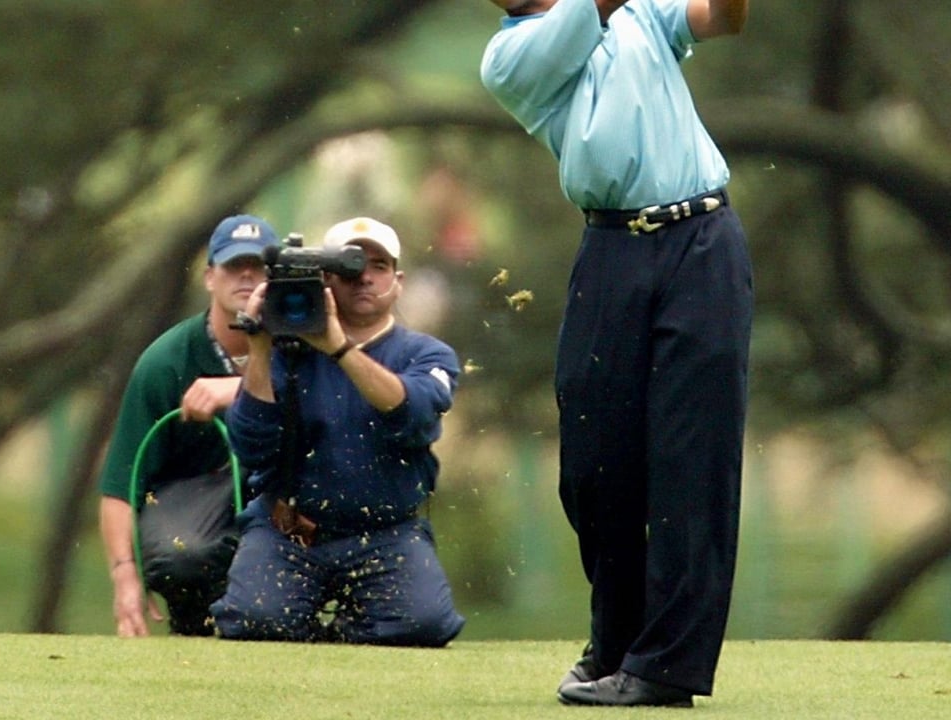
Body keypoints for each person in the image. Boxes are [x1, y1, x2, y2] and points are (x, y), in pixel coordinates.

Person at [481, 0, 753, 708]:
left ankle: (664, 666)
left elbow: (722, 18)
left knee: (693, 459)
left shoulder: (640, 17)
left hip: (703, 241)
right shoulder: (509, 56)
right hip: (609, 250)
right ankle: (616, 643)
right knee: (595, 466)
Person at [210, 217, 466, 647]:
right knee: (254, 620)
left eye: (379, 266)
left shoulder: (426, 353)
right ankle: (314, 622)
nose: (364, 277)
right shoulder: (287, 351)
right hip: (291, 531)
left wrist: (338, 348)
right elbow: (251, 444)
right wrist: (259, 347)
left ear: (398, 281)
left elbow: (412, 411)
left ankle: (347, 626)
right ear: (326, 280)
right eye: (349, 268)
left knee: (424, 625)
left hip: (387, 533)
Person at [98, 214, 281, 637]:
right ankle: (194, 622)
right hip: (195, 508)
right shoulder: (166, 363)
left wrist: (237, 389)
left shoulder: (305, 342)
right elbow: (120, 486)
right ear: (210, 278)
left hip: (284, 494)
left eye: (260, 266)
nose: (248, 276)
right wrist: (125, 576)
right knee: (182, 553)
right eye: (235, 266)